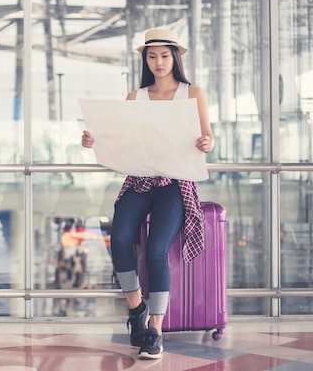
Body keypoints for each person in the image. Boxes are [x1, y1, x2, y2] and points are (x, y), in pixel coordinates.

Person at [81, 27, 214, 360]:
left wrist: (206, 143)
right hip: (139, 180)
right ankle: (136, 307)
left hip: (175, 183)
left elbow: (207, 137)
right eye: (151, 56)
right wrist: (94, 141)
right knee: (121, 237)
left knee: (156, 250)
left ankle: (154, 330)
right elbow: (120, 141)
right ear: (145, 59)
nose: (158, 62)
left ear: (175, 57)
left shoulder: (192, 93)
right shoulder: (135, 98)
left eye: (164, 55)